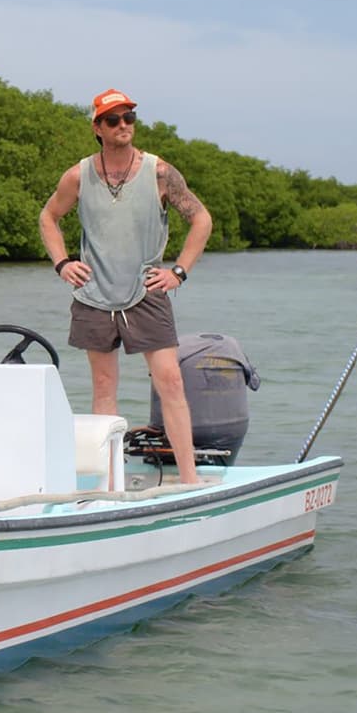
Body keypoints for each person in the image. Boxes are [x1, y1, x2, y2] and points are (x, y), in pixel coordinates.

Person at [38, 89, 214, 486]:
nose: (123, 126)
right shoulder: (77, 175)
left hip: (147, 292)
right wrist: (63, 263)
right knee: (103, 386)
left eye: (129, 118)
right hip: (93, 295)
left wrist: (179, 272)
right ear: (97, 128)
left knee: (170, 380)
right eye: (114, 120)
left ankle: (190, 479)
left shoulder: (160, 172)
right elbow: (48, 217)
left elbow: (201, 220)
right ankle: (109, 482)